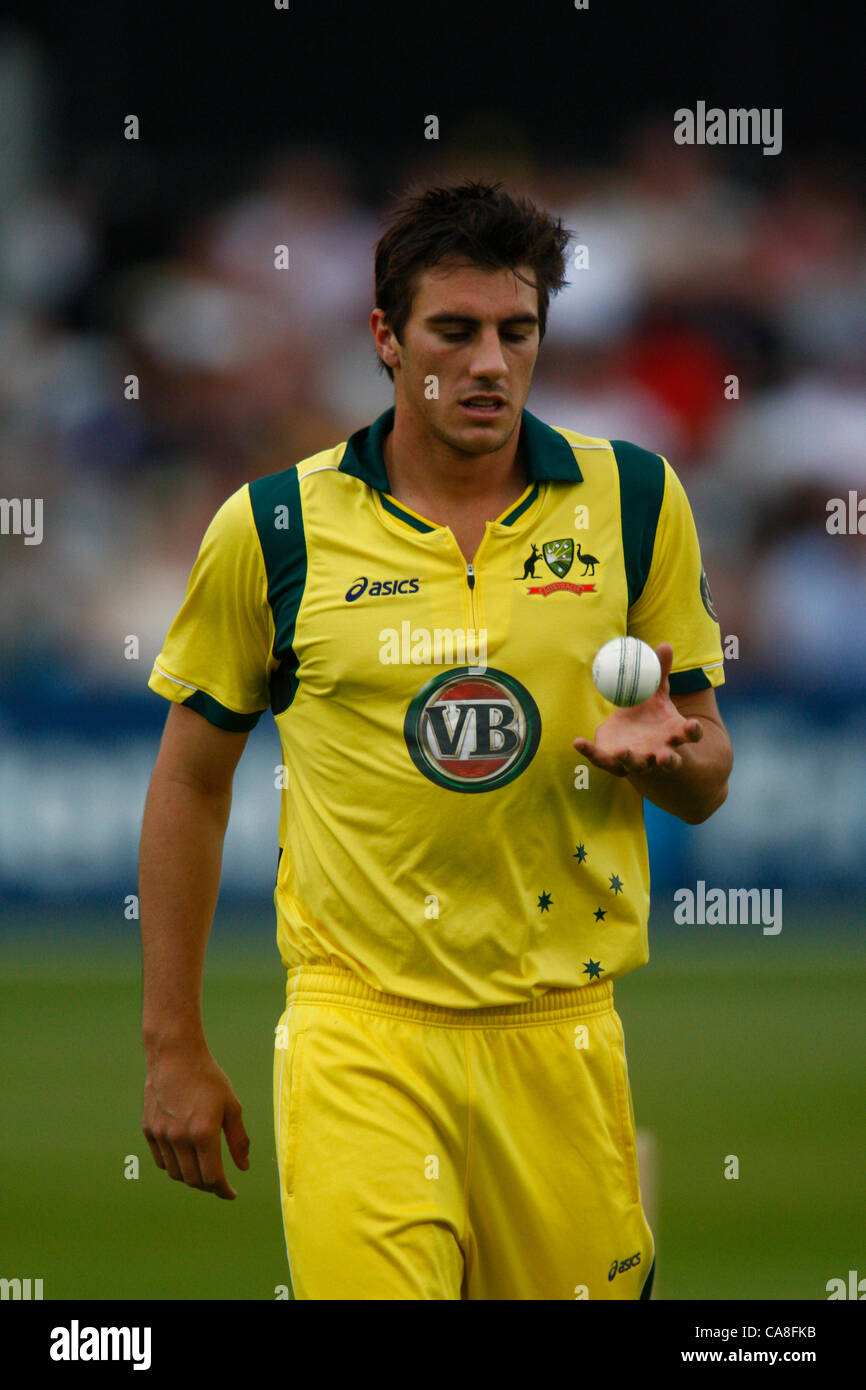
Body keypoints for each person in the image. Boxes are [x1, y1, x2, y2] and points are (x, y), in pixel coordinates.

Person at [140, 179, 732, 1300]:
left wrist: (674, 758)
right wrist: (173, 1044)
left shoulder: (636, 500)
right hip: (359, 1033)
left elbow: (706, 774)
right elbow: (189, 782)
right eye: (452, 333)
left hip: (559, 1034)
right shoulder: (272, 527)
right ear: (383, 337)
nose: (489, 364)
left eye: (516, 333)